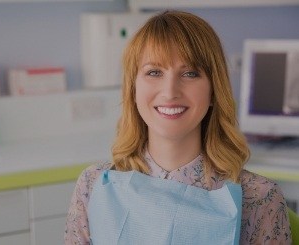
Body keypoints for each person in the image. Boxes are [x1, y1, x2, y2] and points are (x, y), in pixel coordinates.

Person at [65, 10, 292, 244]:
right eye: (154, 72)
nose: (170, 91)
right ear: (133, 90)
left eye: (190, 73)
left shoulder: (258, 198)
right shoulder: (93, 185)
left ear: (214, 90)